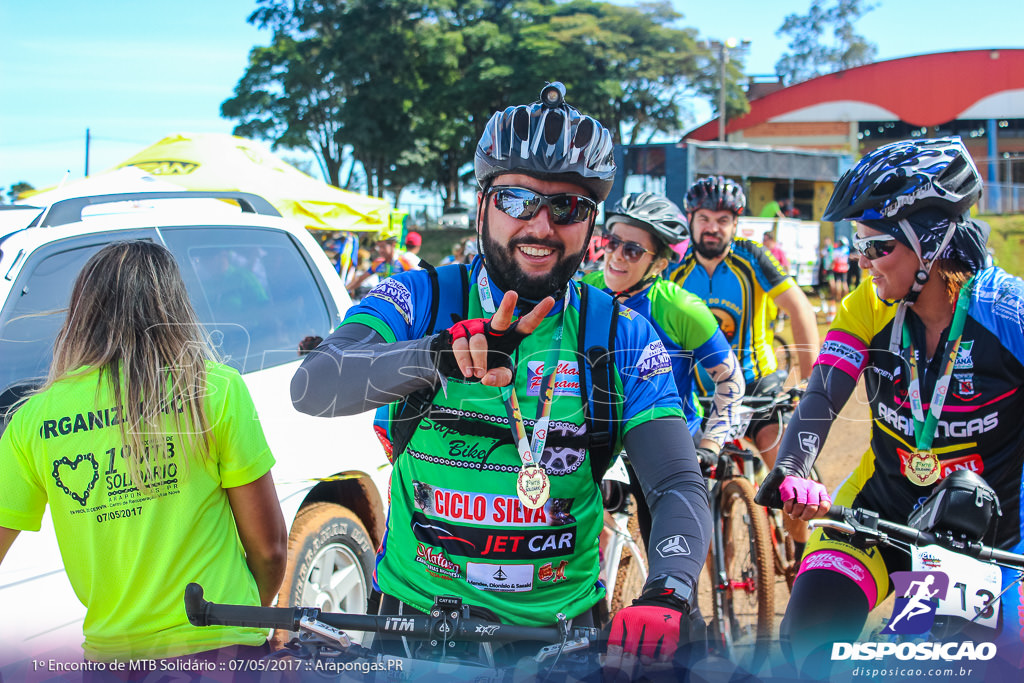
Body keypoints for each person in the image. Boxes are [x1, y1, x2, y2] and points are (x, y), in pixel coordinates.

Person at [291, 82, 711, 670]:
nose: (540, 226)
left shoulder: (620, 335)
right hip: (414, 633)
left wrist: (667, 592)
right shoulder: (422, 299)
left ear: (591, 225)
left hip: (560, 646)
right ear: (483, 202)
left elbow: (676, 485)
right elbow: (314, 384)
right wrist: (436, 355)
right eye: (517, 200)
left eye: (567, 207)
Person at [755, 136, 1024, 676]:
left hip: (993, 533)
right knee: (809, 634)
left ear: (933, 241)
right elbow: (823, 394)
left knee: (975, 662)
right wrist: (792, 468)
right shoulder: (867, 307)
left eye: (878, 246)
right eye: (858, 244)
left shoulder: (1008, 311)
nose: (863, 261)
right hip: (882, 511)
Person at [0, 241, 287, 664]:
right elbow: (269, 549)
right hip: (221, 649)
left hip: (113, 661)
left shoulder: (33, 419)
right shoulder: (214, 390)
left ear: (83, 312)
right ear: (174, 306)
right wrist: (248, 619)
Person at [582, 192, 744, 544]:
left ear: (659, 263)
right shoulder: (583, 292)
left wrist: (712, 443)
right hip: (600, 433)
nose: (616, 256)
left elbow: (730, 378)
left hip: (663, 435)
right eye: (611, 242)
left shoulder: (681, 308)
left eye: (633, 250)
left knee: (668, 544)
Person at [669, 176, 819, 482]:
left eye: (723, 220)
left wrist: (809, 383)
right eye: (704, 218)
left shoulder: (750, 256)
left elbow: (801, 308)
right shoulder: (674, 265)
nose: (713, 227)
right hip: (697, 397)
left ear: (736, 224)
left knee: (790, 479)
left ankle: (792, 528)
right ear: (690, 220)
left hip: (756, 388)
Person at [346, 223, 420, 297]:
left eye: (383, 247)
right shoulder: (378, 263)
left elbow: (417, 281)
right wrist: (345, 289)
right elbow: (360, 279)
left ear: (393, 244)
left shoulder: (404, 263)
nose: (380, 250)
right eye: (378, 247)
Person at [827, 236, 851, 322]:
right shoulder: (846, 249)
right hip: (844, 268)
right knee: (844, 283)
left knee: (838, 282)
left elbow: (833, 260)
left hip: (837, 268)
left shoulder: (836, 250)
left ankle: (838, 297)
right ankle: (846, 297)